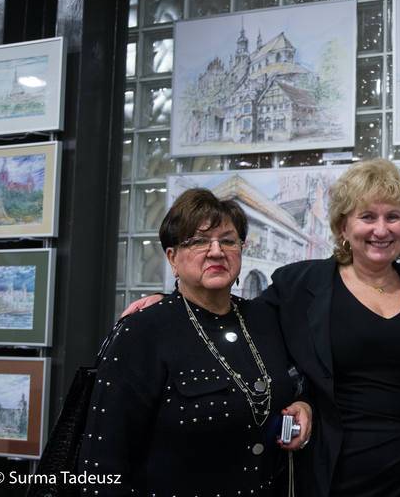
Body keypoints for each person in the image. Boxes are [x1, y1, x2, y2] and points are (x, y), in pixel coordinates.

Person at [122, 160, 400, 497]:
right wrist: (175, 301)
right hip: (332, 470)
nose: (381, 230)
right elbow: (234, 317)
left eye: (392, 217)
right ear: (343, 227)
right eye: (367, 217)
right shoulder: (299, 285)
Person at [78, 188, 311, 496]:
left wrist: (304, 405)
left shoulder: (264, 320)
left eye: (228, 241)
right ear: (172, 258)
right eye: (199, 241)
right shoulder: (142, 331)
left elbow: (302, 379)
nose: (216, 251)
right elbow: (101, 464)